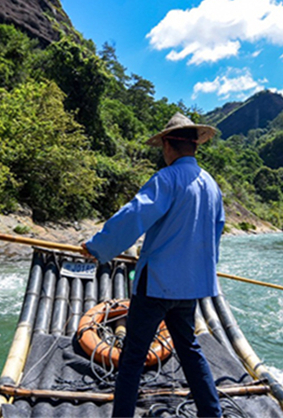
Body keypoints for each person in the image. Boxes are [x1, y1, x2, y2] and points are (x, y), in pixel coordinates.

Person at [81, 112, 225, 418]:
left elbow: (134, 216)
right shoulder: (212, 186)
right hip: (190, 287)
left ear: (169, 146)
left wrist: (97, 248)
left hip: (157, 283)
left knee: (133, 356)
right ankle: (212, 414)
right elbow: (214, 234)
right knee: (189, 349)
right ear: (193, 146)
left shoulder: (167, 179)